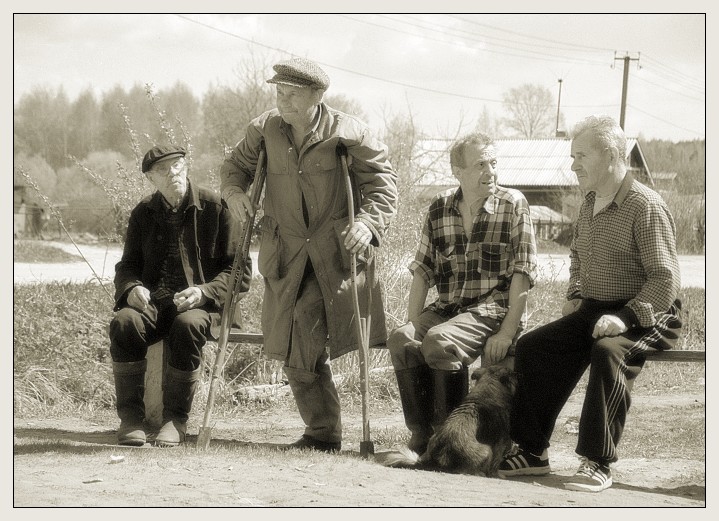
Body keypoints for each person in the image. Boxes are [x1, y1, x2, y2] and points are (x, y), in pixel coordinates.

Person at [220, 57, 398, 453]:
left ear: (317, 96)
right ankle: (323, 431)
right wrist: (234, 194)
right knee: (287, 340)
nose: (282, 100)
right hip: (286, 255)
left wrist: (368, 223)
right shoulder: (265, 129)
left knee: (302, 327)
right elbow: (234, 167)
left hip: (334, 257)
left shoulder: (348, 131)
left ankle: (321, 433)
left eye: (292, 94)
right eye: (279, 92)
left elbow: (384, 184)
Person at [498, 115, 683, 493]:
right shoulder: (589, 202)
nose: (573, 164)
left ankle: (597, 462)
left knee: (607, 352)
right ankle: (533, 452)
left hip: (651, 314)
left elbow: (665, 280)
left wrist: (625, 318)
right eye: (573, 156)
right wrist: (575, 294)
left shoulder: (645, 206)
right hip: (596, 308)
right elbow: (578, 257)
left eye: (581, 155)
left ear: (612, 155)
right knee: (534, 347)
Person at [387, 131, 538, 456]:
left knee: (440, 341)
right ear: (458, 171)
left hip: (491, 311)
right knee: (400, 339)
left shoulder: (513, 205)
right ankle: (422, 436)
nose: (491, 171)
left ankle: (453, 437)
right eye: (481, 164)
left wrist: (509, 330)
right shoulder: (440, 207)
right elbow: (423, 269)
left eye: (494, 163)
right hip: (448, 309)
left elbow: (523, 273)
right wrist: (413, 324)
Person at [109, 144, 250, 447]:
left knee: (187, 325)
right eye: (162, 169)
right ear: (150, 178)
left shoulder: (217, 207)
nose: (172, 173)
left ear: (187, 167)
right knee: (124, 322)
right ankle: (131, 420)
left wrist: (203, 291)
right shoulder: (143, 212)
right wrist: (131, 288)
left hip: (205, 306)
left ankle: (176, 419)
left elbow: (239, 273)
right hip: (155, 304)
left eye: (177, 165)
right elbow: (127, 266)